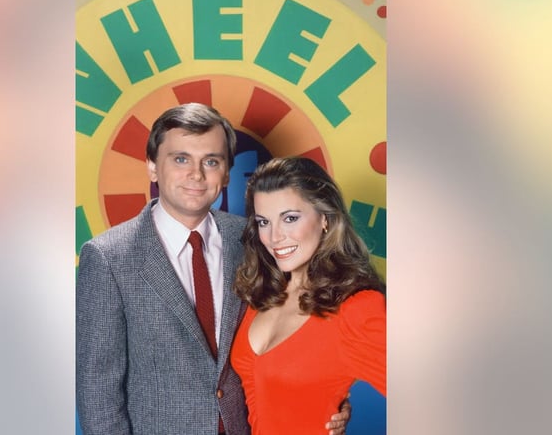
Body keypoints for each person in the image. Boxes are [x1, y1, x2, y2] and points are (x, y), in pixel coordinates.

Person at [76, 104, 350, 435]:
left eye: (211, 161)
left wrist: (323, 395)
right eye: (180, 159)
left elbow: (287, 334)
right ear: (152, 167)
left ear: (227, 173)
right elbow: (97, 391)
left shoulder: (252, 238)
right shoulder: (108, 258)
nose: (196, 174)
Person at [231, 157, 387, 434]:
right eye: (263, 222)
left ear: (325, 219)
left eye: (290, 218)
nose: (275, 236)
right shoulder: (261, 294)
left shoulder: (356, 307)